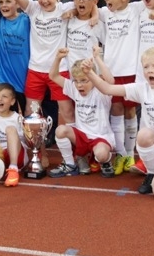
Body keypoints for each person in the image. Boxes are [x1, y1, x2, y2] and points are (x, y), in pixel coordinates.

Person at [86, 46, 154, 198]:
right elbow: (108, 89)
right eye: (146, 67)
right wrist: (90, 73)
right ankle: (151, 173)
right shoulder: (141, 89)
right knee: (144, 134)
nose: (150, 70)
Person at [12, 0, 75, 125]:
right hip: (36, 69)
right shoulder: (34, 8)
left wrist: (78, 13)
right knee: (31, 111)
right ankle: (33, 140)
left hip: (59, 70)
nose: (44, 1)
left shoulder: (65, 8)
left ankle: (74, 140)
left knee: (67, 111)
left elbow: (89, 3)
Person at [48, 48, 115, 178]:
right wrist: (58, 58)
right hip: (81, 136)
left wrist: (97, 58)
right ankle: (70, 164)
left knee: (101, 155)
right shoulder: (73, 88)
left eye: (84, 80)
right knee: (60, 130)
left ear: (93, 78)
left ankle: (106, 162)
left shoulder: (101, 91)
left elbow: (110, 81)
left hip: (100, 138)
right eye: (76, 81)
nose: (79, 85)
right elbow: (53, 76)